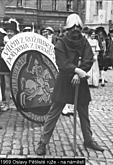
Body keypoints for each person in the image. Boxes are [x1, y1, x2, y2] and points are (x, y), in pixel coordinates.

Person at [36, 13, 104, 155]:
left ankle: (88, 139)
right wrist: (76, 70)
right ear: (67, 28)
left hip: (80, 80)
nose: (75, 30)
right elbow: (61, 62)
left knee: (84, 112)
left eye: (78, 27)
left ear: (80, 28)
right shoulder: (61, 42)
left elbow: (89, 59)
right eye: (72, 27)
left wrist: (79, 73)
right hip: (64, 81)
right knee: (54, 113)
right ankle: (43, 142)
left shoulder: (84, 42)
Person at [1, 18, 20, 111]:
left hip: (16, 65)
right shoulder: (3, 41)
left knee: (17, 86)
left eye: (11, 31)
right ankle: (7, 104)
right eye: (8, 31)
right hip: (6, 65)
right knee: (7, 86)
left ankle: (18, 104)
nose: (9, 33)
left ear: (15, 32)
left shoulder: (18, 41)